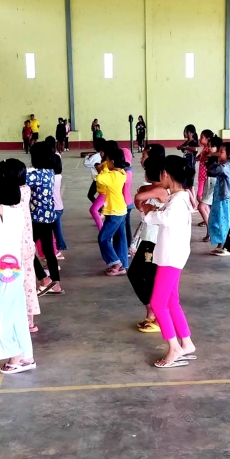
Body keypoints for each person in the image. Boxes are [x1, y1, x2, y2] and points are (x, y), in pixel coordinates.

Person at [141, 155, 197, 368]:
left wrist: (149, 212)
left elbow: (165, 219)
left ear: (166, 174)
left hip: (171, 258)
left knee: (157, 303)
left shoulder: (179, 201)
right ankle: (186, 342)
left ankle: (174, 348)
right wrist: (152, 211)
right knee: (172, 301)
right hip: (172, 255)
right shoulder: (179, 197)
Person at [0, 177, 36, 375]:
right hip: (12, 272)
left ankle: (15, 354)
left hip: (7, 275)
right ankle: (26, 357)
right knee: (17, 317)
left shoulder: (10, 212)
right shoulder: (12, 213)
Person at [0, 158, 41, 334]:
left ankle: (11, 315)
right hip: (28, 245)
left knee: (1, 281)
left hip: (13, 248)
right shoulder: (25, 190)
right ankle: (29, 321)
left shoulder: (10, 196)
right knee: (28, 282)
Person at [129, 155, 167, 334]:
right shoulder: (153, 188)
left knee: (149, 277)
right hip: (147, 239)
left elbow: (139, 196)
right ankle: (151, 310)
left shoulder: (161, 190)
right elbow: (139, 197)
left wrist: (143, 205)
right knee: (136, 274)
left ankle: (155, 315)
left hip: (155, 241)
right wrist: (144, 206)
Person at [27, 141, 63, 296]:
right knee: (49, 251)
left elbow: (19, 178)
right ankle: (56, 284)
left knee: (25, 249)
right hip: (48, 217)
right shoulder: (49, 172)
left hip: (37, 219)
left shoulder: (36, 175)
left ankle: (43, 279)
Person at [96, 141, 130, 276]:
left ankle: (115, 262)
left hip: (115, 212)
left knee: (103, 238)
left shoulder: (112, 176)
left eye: (108, 160)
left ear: (112, 162)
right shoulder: (121, 172)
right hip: (120, 210)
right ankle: (122, 265)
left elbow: (100, 178)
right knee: (120, 238)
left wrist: (103, 167)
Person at [207, 142, 230, 255]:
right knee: (216, 221)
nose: (219, 154)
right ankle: (220, 245)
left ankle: (226, 246)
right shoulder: (222, 164)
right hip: (218, 197)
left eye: (221, 152)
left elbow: (212, 171)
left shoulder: (226, 166)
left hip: (224, 198)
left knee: (223, 222)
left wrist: (211, 156)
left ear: (229, 154)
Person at [196, 130, 218, 240]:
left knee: (202, 204)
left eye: (202, 137)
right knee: (204, 205)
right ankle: (209, 227)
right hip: (205, 179)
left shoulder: (211, 154)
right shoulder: (206, 151)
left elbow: (204, 158)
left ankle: (210, 229)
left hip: (207, 180)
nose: (200, 139)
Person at [84, 135, 106, 204]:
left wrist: (87, 156)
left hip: (97, 179)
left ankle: (100, 208)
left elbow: (86, 163)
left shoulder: (96, 156)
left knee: (90, 195)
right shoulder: (104, 154)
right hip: (104, 178)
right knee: (103, 195)